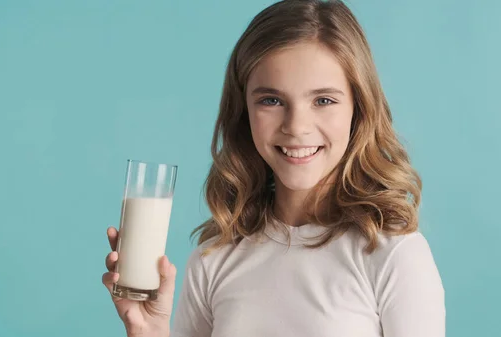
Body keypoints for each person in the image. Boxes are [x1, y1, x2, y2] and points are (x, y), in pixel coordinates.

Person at [102, 0, 445, 336]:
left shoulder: (394, 257)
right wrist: (149, 330)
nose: (296, 126)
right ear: (244, 111)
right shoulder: (214, 259)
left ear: (359, 109)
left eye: (323, 100)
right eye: (272, 100)